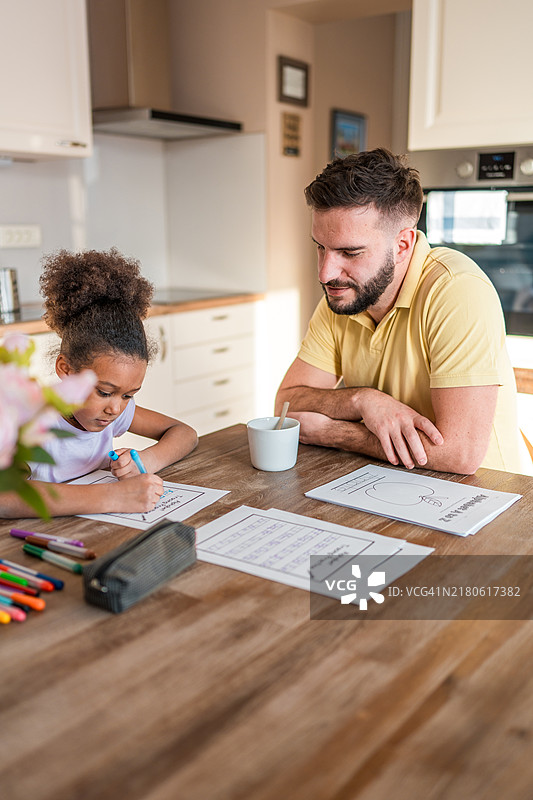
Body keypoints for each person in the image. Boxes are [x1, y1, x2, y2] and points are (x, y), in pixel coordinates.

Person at [276, 148, 523, 475]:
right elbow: (286, 405)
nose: (325, 273)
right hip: (389, 481)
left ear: (402, 245)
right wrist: (362, 400)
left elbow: (458, 454)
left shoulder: (456, 290)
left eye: (349, 252)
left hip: (485, 497)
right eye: (320, 247)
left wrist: (333, 431)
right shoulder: (343, 295)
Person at [0, 248, 198, 518]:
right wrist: (111, 498)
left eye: (128, 395)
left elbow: (185, 433)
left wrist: (147, 460)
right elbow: (6, 497)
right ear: (66, 370)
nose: (116, 409)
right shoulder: (33, 422)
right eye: (105, 392)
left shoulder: (113, 412)